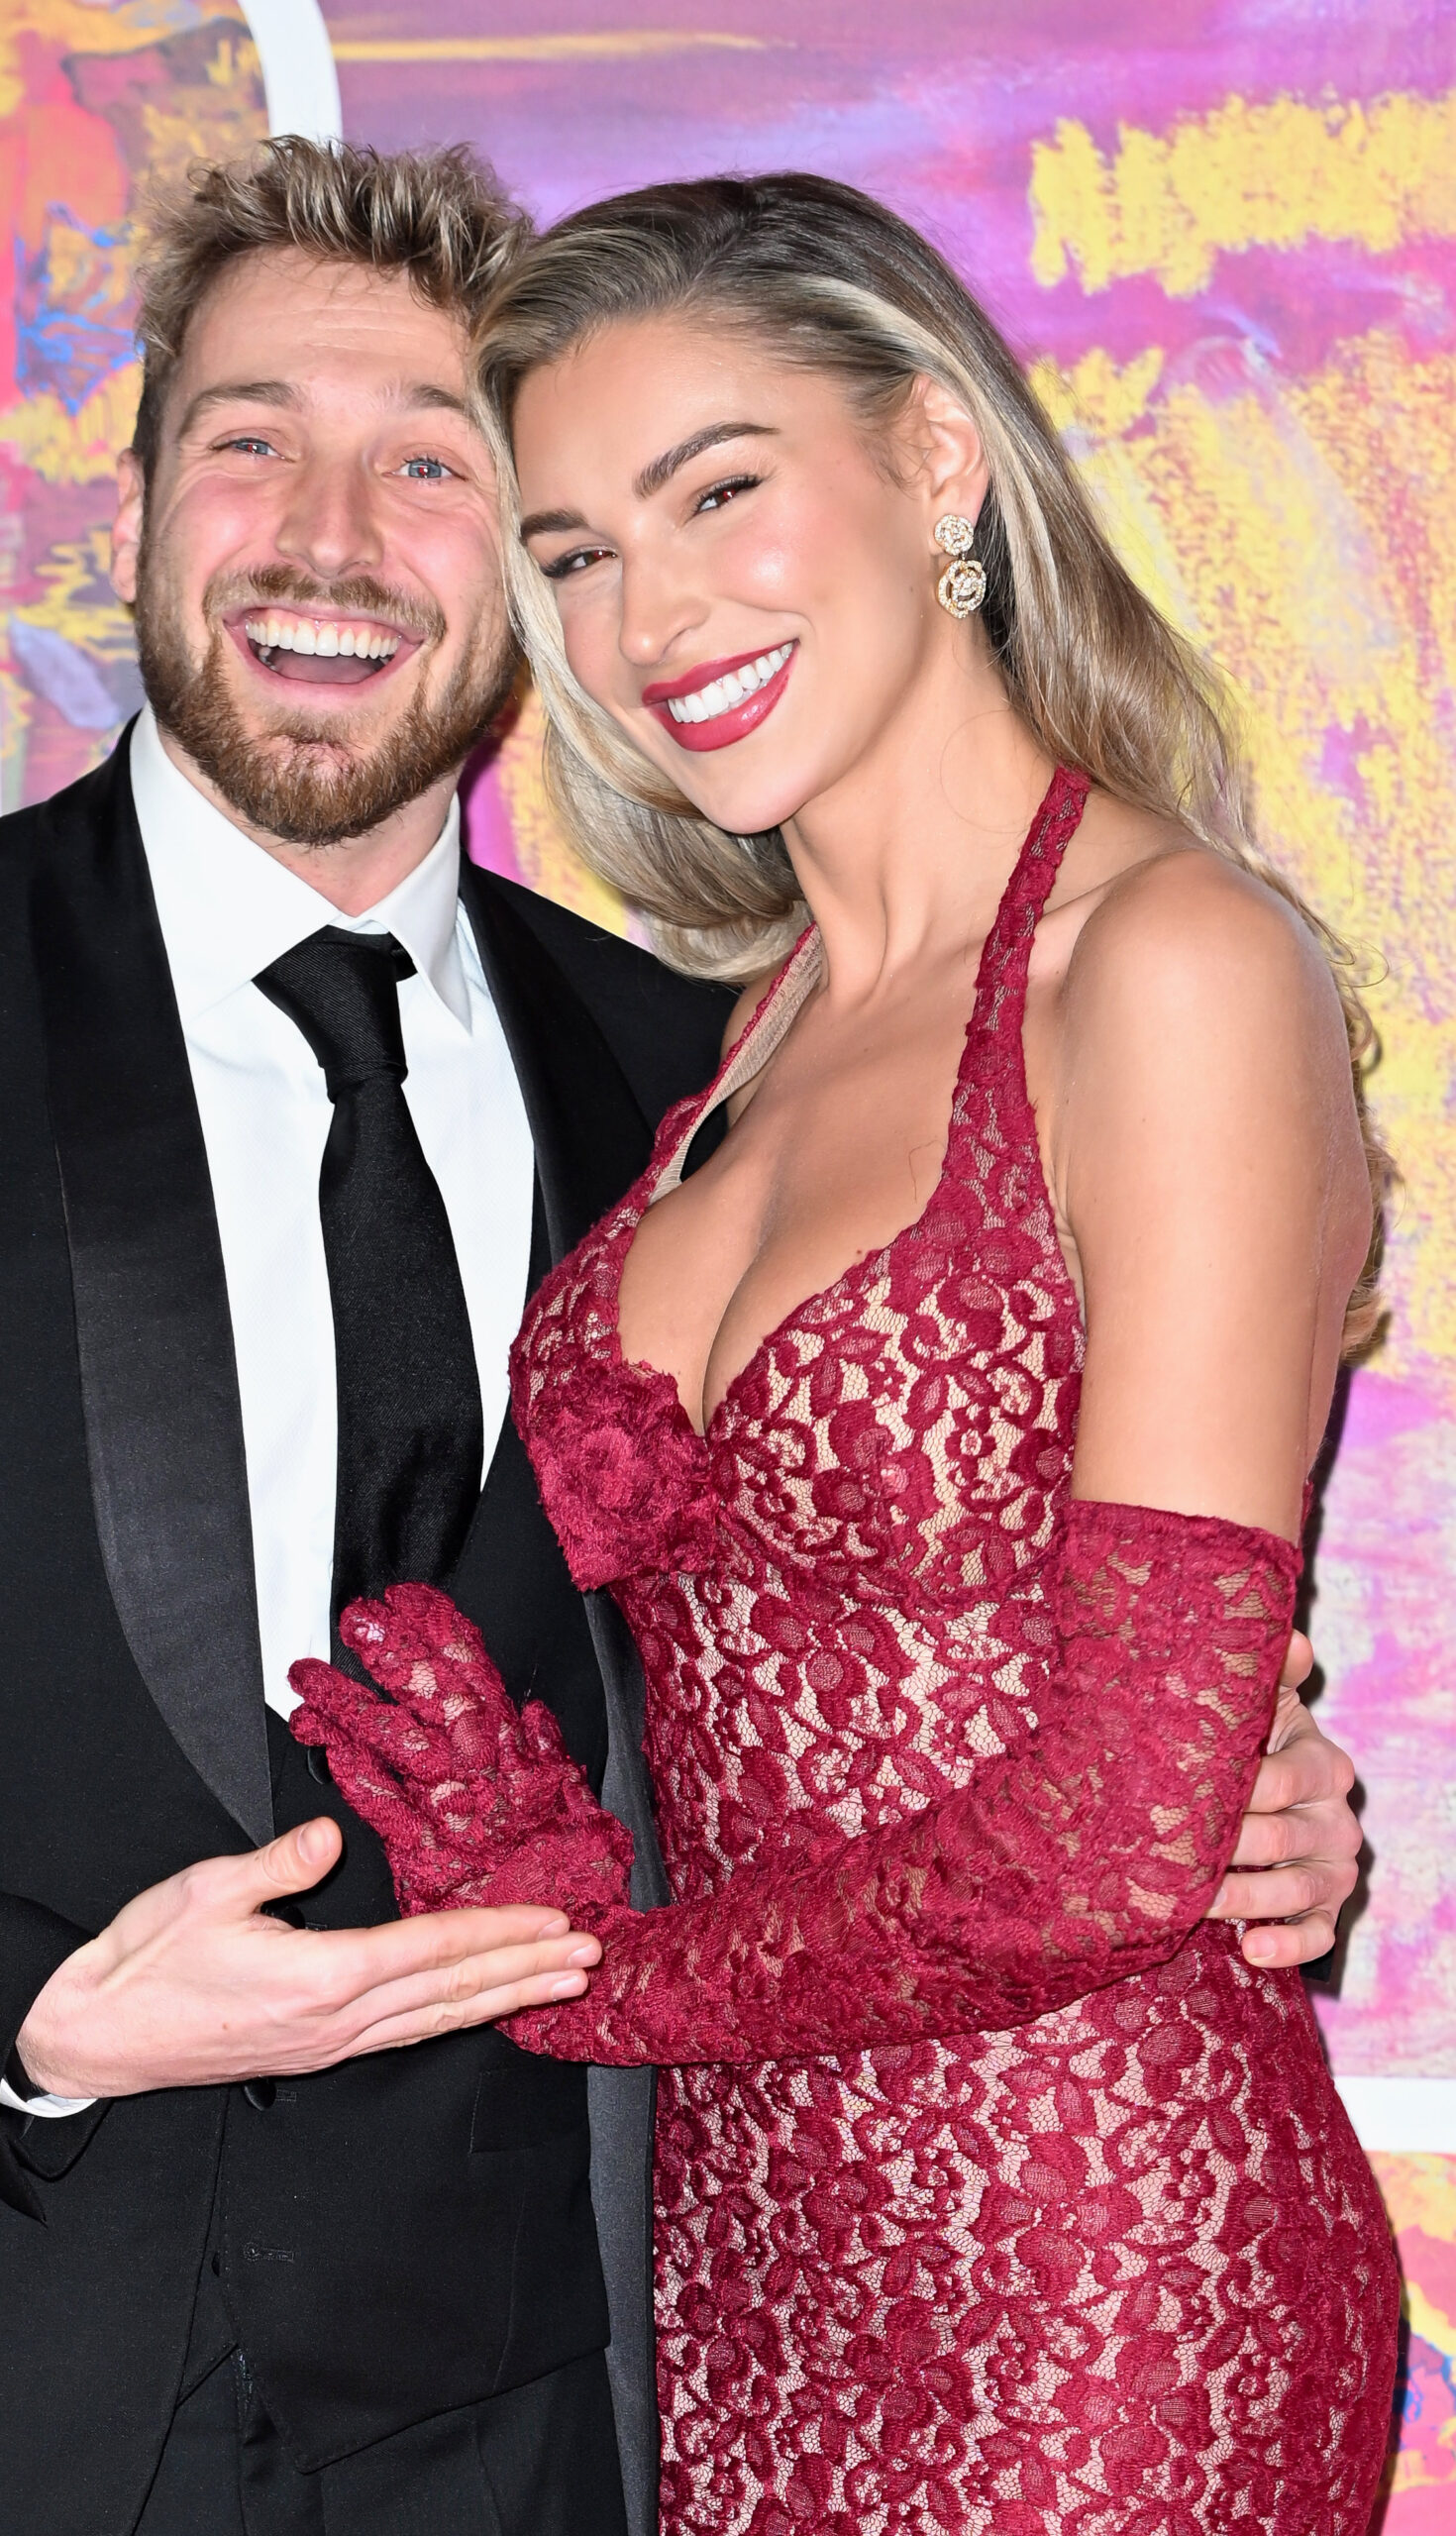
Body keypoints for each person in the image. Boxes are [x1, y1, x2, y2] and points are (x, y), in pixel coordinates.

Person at [0, 144, 1361, 2536]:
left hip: (539, 2410)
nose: (326, 530)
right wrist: (29, 2004)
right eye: (250, 437)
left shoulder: (683, 1069)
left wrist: (1229, 1777)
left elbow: (897, 1626)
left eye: (436, 468)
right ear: (142, 488)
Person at [285, 173, 1401, 2535]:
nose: (648, 613)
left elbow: (1113, 1832)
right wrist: (522, 1831)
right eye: (574, 551)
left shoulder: (1169, 965)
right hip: (744, 2263)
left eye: (719, 491)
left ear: (932, 459)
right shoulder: (728, 1042)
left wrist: (610, 1971)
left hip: (1107, 2255)